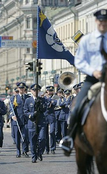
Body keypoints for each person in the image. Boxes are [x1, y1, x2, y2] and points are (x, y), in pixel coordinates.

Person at [60, 9, 107, 155]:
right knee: (76, 108)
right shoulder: (87, 40)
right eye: (100, 21)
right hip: (92, 80)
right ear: (96, 22)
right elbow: (79, 61)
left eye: (105, 21)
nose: (103, 24)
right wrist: (93, 71)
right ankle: (69, 138)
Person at [24, 84, 47, 163]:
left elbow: (45, 109)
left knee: (42, 139)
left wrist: (40, 105)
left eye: (37, 90)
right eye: (34, 90)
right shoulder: (28, 100)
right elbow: (25, 111)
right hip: (32, 122)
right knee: (32, 141)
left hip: (41, 122)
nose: (36, 92)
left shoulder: (43, 99)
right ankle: (34, 156)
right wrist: (31, 114)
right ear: (31, 91)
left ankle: (40, 152)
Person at [9, 82, 30, 158]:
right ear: (18, 89)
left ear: (24, 89)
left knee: (25, 136)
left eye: (22, 88)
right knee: (17, 138)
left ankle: (25, 151)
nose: (21, 90)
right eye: (20, 88)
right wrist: (12, 116)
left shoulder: (28, 97)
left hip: (26, 120)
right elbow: (11, 109)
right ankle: (18, 151)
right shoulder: (14, 98)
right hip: (17, 120)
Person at [44, 86, 57, 154]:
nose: (50, 92)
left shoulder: (54, 97)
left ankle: (53, 148)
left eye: (51, 91)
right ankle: (47, 148)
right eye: (49, 91)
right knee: (45, 133)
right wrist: (49, 101)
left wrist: (49, 100)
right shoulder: (44, 98)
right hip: (45, 116)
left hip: (51, 116)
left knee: (52, 132)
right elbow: (45, 105)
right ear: (47, 91)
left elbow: (53, 104)